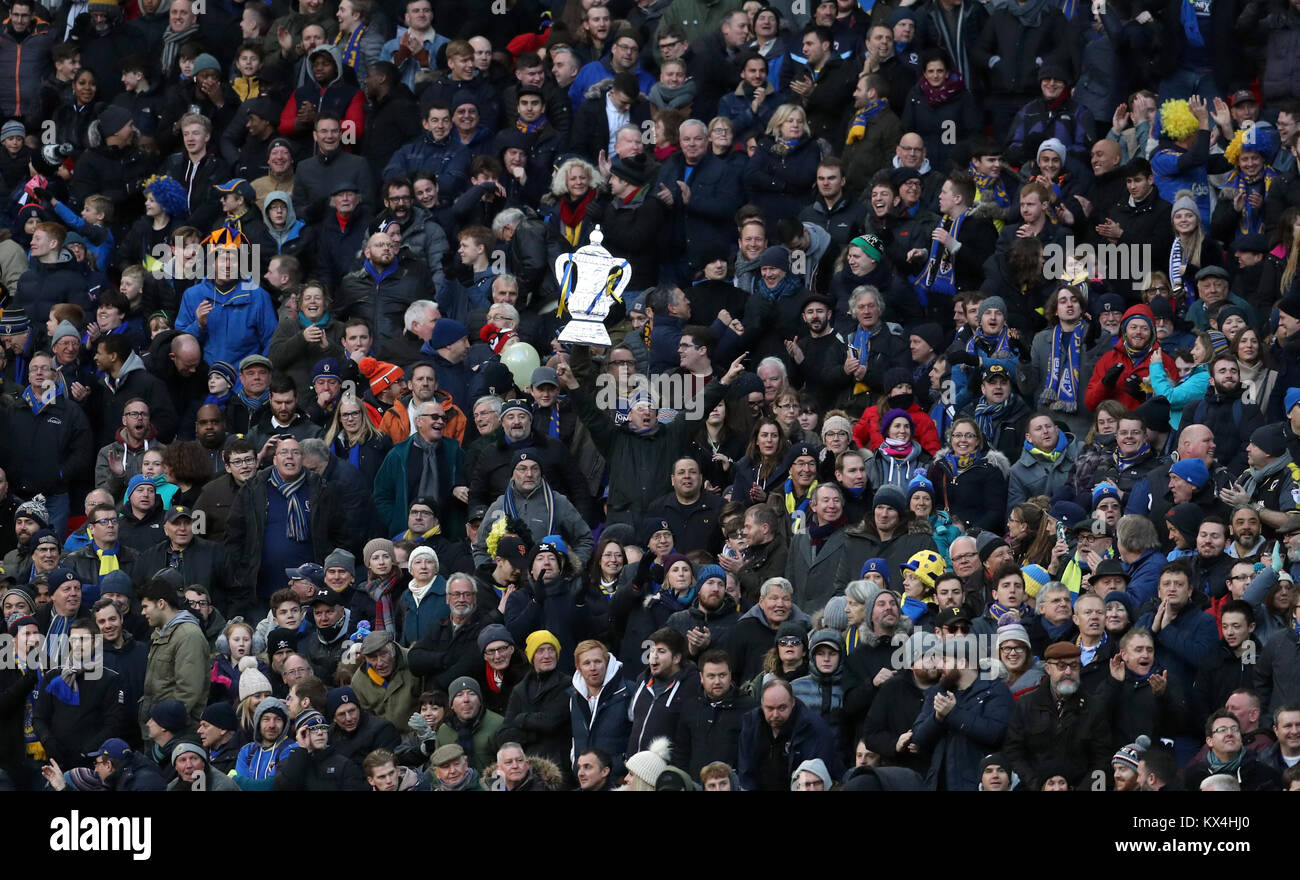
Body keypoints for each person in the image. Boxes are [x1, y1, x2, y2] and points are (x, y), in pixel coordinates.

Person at [1002, 642, 1112, 790]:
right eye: (1061, 666)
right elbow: (1013, 752)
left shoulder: (1093, 707)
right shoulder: (1027, 704)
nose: (1068, 672)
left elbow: (1102, 760)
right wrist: (1037, 785)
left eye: (1074, 666)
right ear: (1047, 668)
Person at [737, 678, 842, 792]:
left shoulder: (813, 728)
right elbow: (746, 774)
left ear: (792, 703)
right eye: (770, 708)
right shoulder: (752, 724)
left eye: (782, 708)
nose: (775, 714)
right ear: (762, 705)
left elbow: (817, 779)